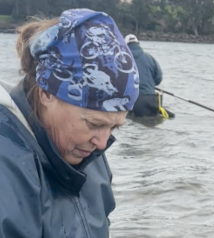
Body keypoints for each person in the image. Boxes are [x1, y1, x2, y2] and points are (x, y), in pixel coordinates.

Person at [0, 9, 139, 237]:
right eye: (94, 124)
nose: (103, 143)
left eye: (113, 127)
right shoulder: (6, 168)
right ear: (46, 93)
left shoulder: (91, 158)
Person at [124, 34, 173, 118]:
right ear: (138, 44)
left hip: (135, 102)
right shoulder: (150, 58)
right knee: (166, 117)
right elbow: (158, 79)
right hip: (152, 99)